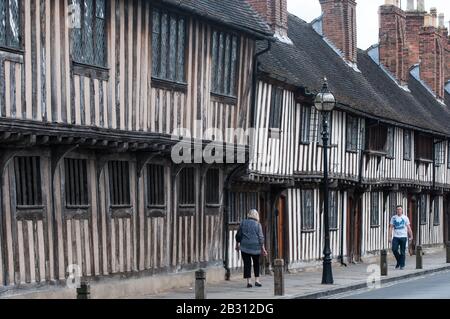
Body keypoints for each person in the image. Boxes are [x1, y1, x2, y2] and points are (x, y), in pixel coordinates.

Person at [235, 209, 267, 288]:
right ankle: (257, 280)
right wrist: (263, 249)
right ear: (256, 215)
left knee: (247, 264)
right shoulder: (258, 225)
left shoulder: (243, 222)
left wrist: (237, 245)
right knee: (256, 263)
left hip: (245, 246)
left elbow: (238, 235)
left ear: (248, 214)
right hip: (255, 247)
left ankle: (249, 281)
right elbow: (261, 238)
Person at [389, 205, 413, 270]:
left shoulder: (405, 218)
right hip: (396, 237)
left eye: (400, 209)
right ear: (396, 210)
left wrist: (411, 235)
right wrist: (390, 237)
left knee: (402, 251)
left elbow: (408, 227)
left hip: (403, 237)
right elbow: (391, 227)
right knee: (394, 249)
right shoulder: (393, 218)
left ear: (402, 210)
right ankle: (399, 261)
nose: (398, 210)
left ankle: (402, 265)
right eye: (397, 209)